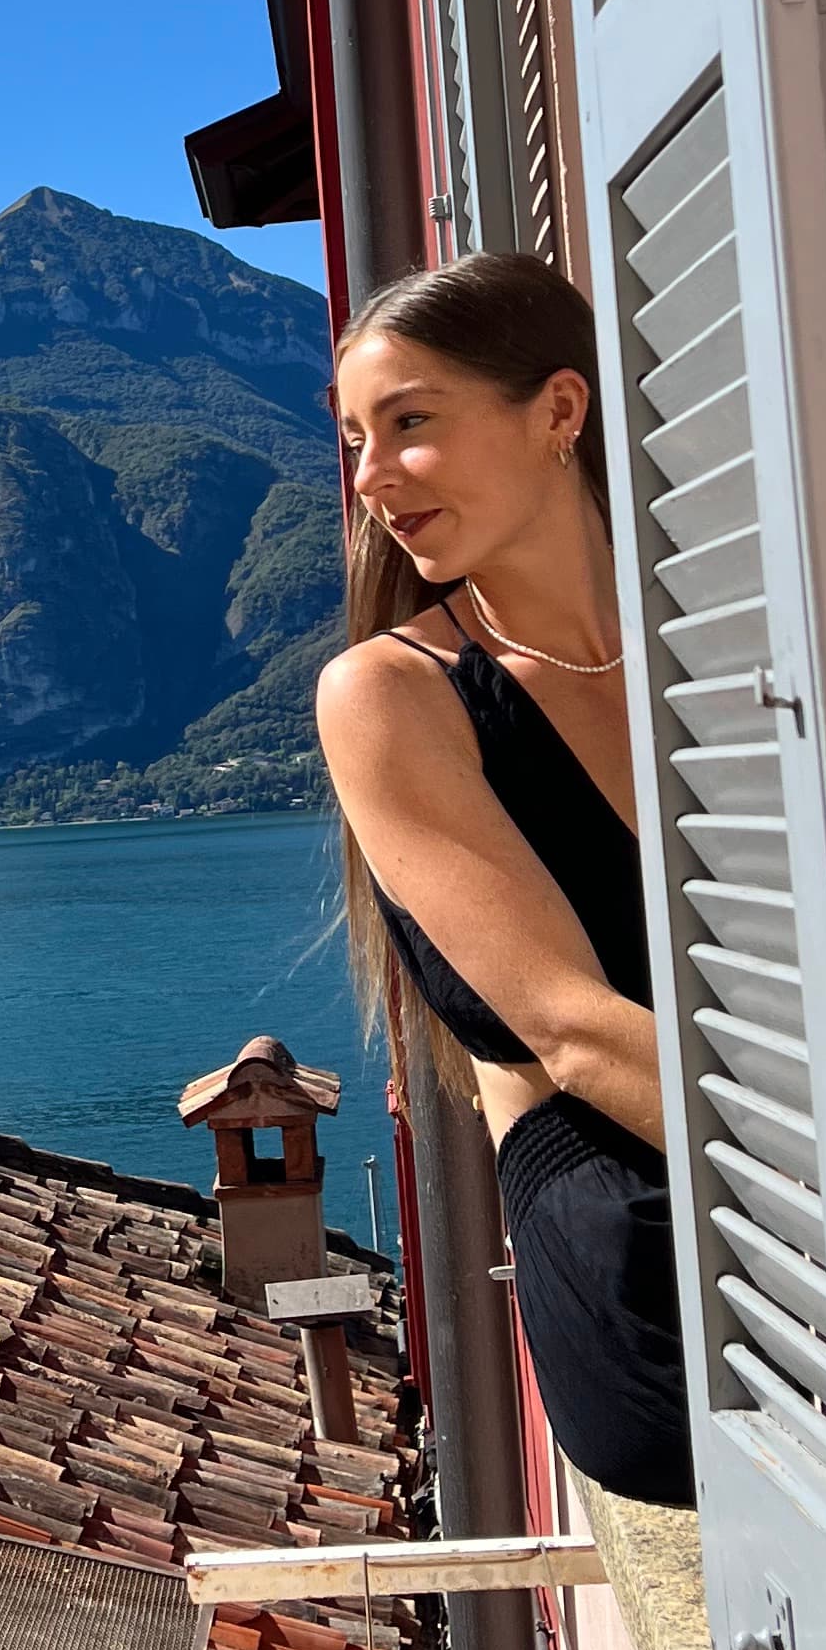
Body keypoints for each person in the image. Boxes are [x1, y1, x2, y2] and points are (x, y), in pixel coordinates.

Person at [315, 251, 694, 1509]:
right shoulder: (392, 693)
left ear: (561, 411)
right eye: (357, 440)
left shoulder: (724, 634)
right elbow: (572, 1034)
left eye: (409, 424)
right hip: (640, 1241)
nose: (370, 478)